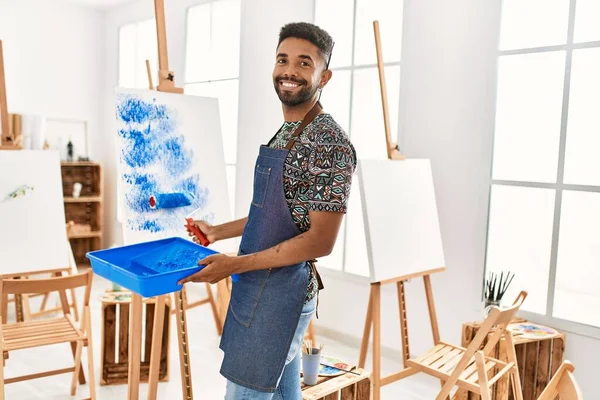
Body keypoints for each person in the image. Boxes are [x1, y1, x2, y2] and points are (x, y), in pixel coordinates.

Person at [179, 21, 356, 399]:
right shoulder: (286, 131)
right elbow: (276, 214)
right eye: (282, 60)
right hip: (261, 287)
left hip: (282, 295)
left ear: (324, 75)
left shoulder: (328, 141)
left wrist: (235, 264)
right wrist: (216, 233)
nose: (289, 71)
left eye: (304, 63)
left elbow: (320, 241)